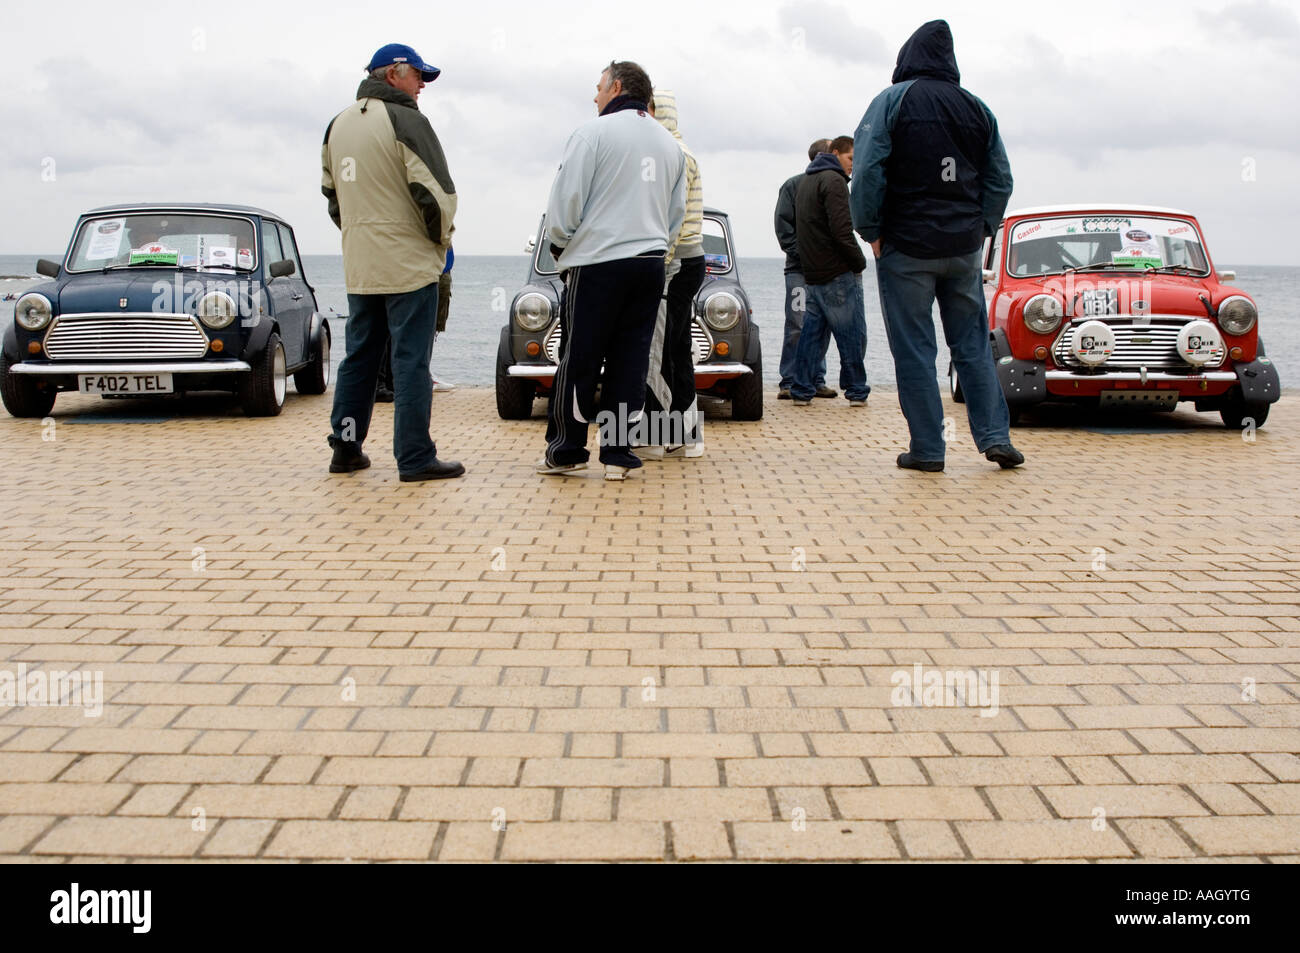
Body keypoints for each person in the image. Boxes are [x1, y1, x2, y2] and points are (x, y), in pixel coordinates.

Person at [851, 20, 1023, 472]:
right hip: (963, 247)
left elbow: (868, 170)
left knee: (915, 349)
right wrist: (981, 227)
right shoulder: (978, 109)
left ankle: (928, 449)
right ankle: (994, 437)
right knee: (971, 345)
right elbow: (1000, 179)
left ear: (907, 59)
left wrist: (870, 229)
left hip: (906, 246)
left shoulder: (892, 101)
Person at [538, 60, 687, 482]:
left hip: (598, 263)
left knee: (580, 357)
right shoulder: (669, 144)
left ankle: (567, 449)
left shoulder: (592, 134)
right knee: (631, 360)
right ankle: (618, 454)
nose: (595, 95)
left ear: (617, 86)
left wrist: (561, 244)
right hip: (649, 263)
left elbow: (566, 202)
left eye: (599, 87)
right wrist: (657, 245)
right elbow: (674, 215)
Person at [321, 43, 463, 481]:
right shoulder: (408, 120)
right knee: (410, 361)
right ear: (393, 75)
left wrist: (359, 237)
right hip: (408, 264)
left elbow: (332, 196)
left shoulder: (337, 125)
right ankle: (415, 457)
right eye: (418, 75)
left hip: (361, 264)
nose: (422, 85)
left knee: (359, 358)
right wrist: (440, 244)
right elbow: (437, 194)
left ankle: (346, 449)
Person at [641, 89, 705, 460]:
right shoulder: (680, 151)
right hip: (686, 261)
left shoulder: (673, 155)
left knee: (658, 350)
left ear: (657, 111)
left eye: (645, 108)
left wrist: (659, 265)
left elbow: (672, 218)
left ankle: (655, 435)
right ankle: (684, 435)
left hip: (674, 263)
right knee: (677, 349)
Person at [789, 136, 870, 408]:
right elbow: (841, 230)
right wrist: (859, 261)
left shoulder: (806, 181)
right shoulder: (834, 182)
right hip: (836, 271)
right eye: (850, 159)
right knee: (851, 333)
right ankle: (857, 390)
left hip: (813, 272)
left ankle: (800, 389)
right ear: (835, 153)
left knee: (812, 335)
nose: (853, 166)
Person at [774, 139, 836, 400]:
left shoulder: (836, 187)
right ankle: (789, 380)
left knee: (822, 325)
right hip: (799, 270)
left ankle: (816, 378)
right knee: (797, 323)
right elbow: (783, 227)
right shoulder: (793, 185)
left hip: (827, 272)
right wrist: (805, 254)